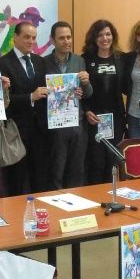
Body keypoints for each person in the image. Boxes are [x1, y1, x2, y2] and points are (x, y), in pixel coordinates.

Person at [0, 21, 49, 195]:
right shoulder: (3, 63)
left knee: (40, 177)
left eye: (34, 38)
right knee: (17, 179)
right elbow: (3, 100)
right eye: (26, 37)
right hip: (16, 131)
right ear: (15, 37)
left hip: (40, 130)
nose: (31, 41)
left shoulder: (40, 61)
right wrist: (30, 97)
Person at [43, 21, 92, 189]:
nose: (66, 41)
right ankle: (56, 201)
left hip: (77, 124)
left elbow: (88, 94)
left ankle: (76, 201)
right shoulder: (44, 62)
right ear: (52, 40)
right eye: (62, 38)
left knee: (77, 170)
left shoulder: (79, 61)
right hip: (55, 126)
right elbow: (41, 96)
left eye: (69, 37)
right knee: (56, 171)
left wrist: (85, 84)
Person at [82, 20, 127, 184]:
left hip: (116, 119)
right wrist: (86, 111)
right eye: (100, 35)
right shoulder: (85, 60)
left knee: (113, 161)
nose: (105, 38)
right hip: (94, 118)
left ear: (113, 36)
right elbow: (79, 91)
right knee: (96, 162)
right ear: (94, 38)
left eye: (108, 34)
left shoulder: (121, 58)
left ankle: (111, 193)